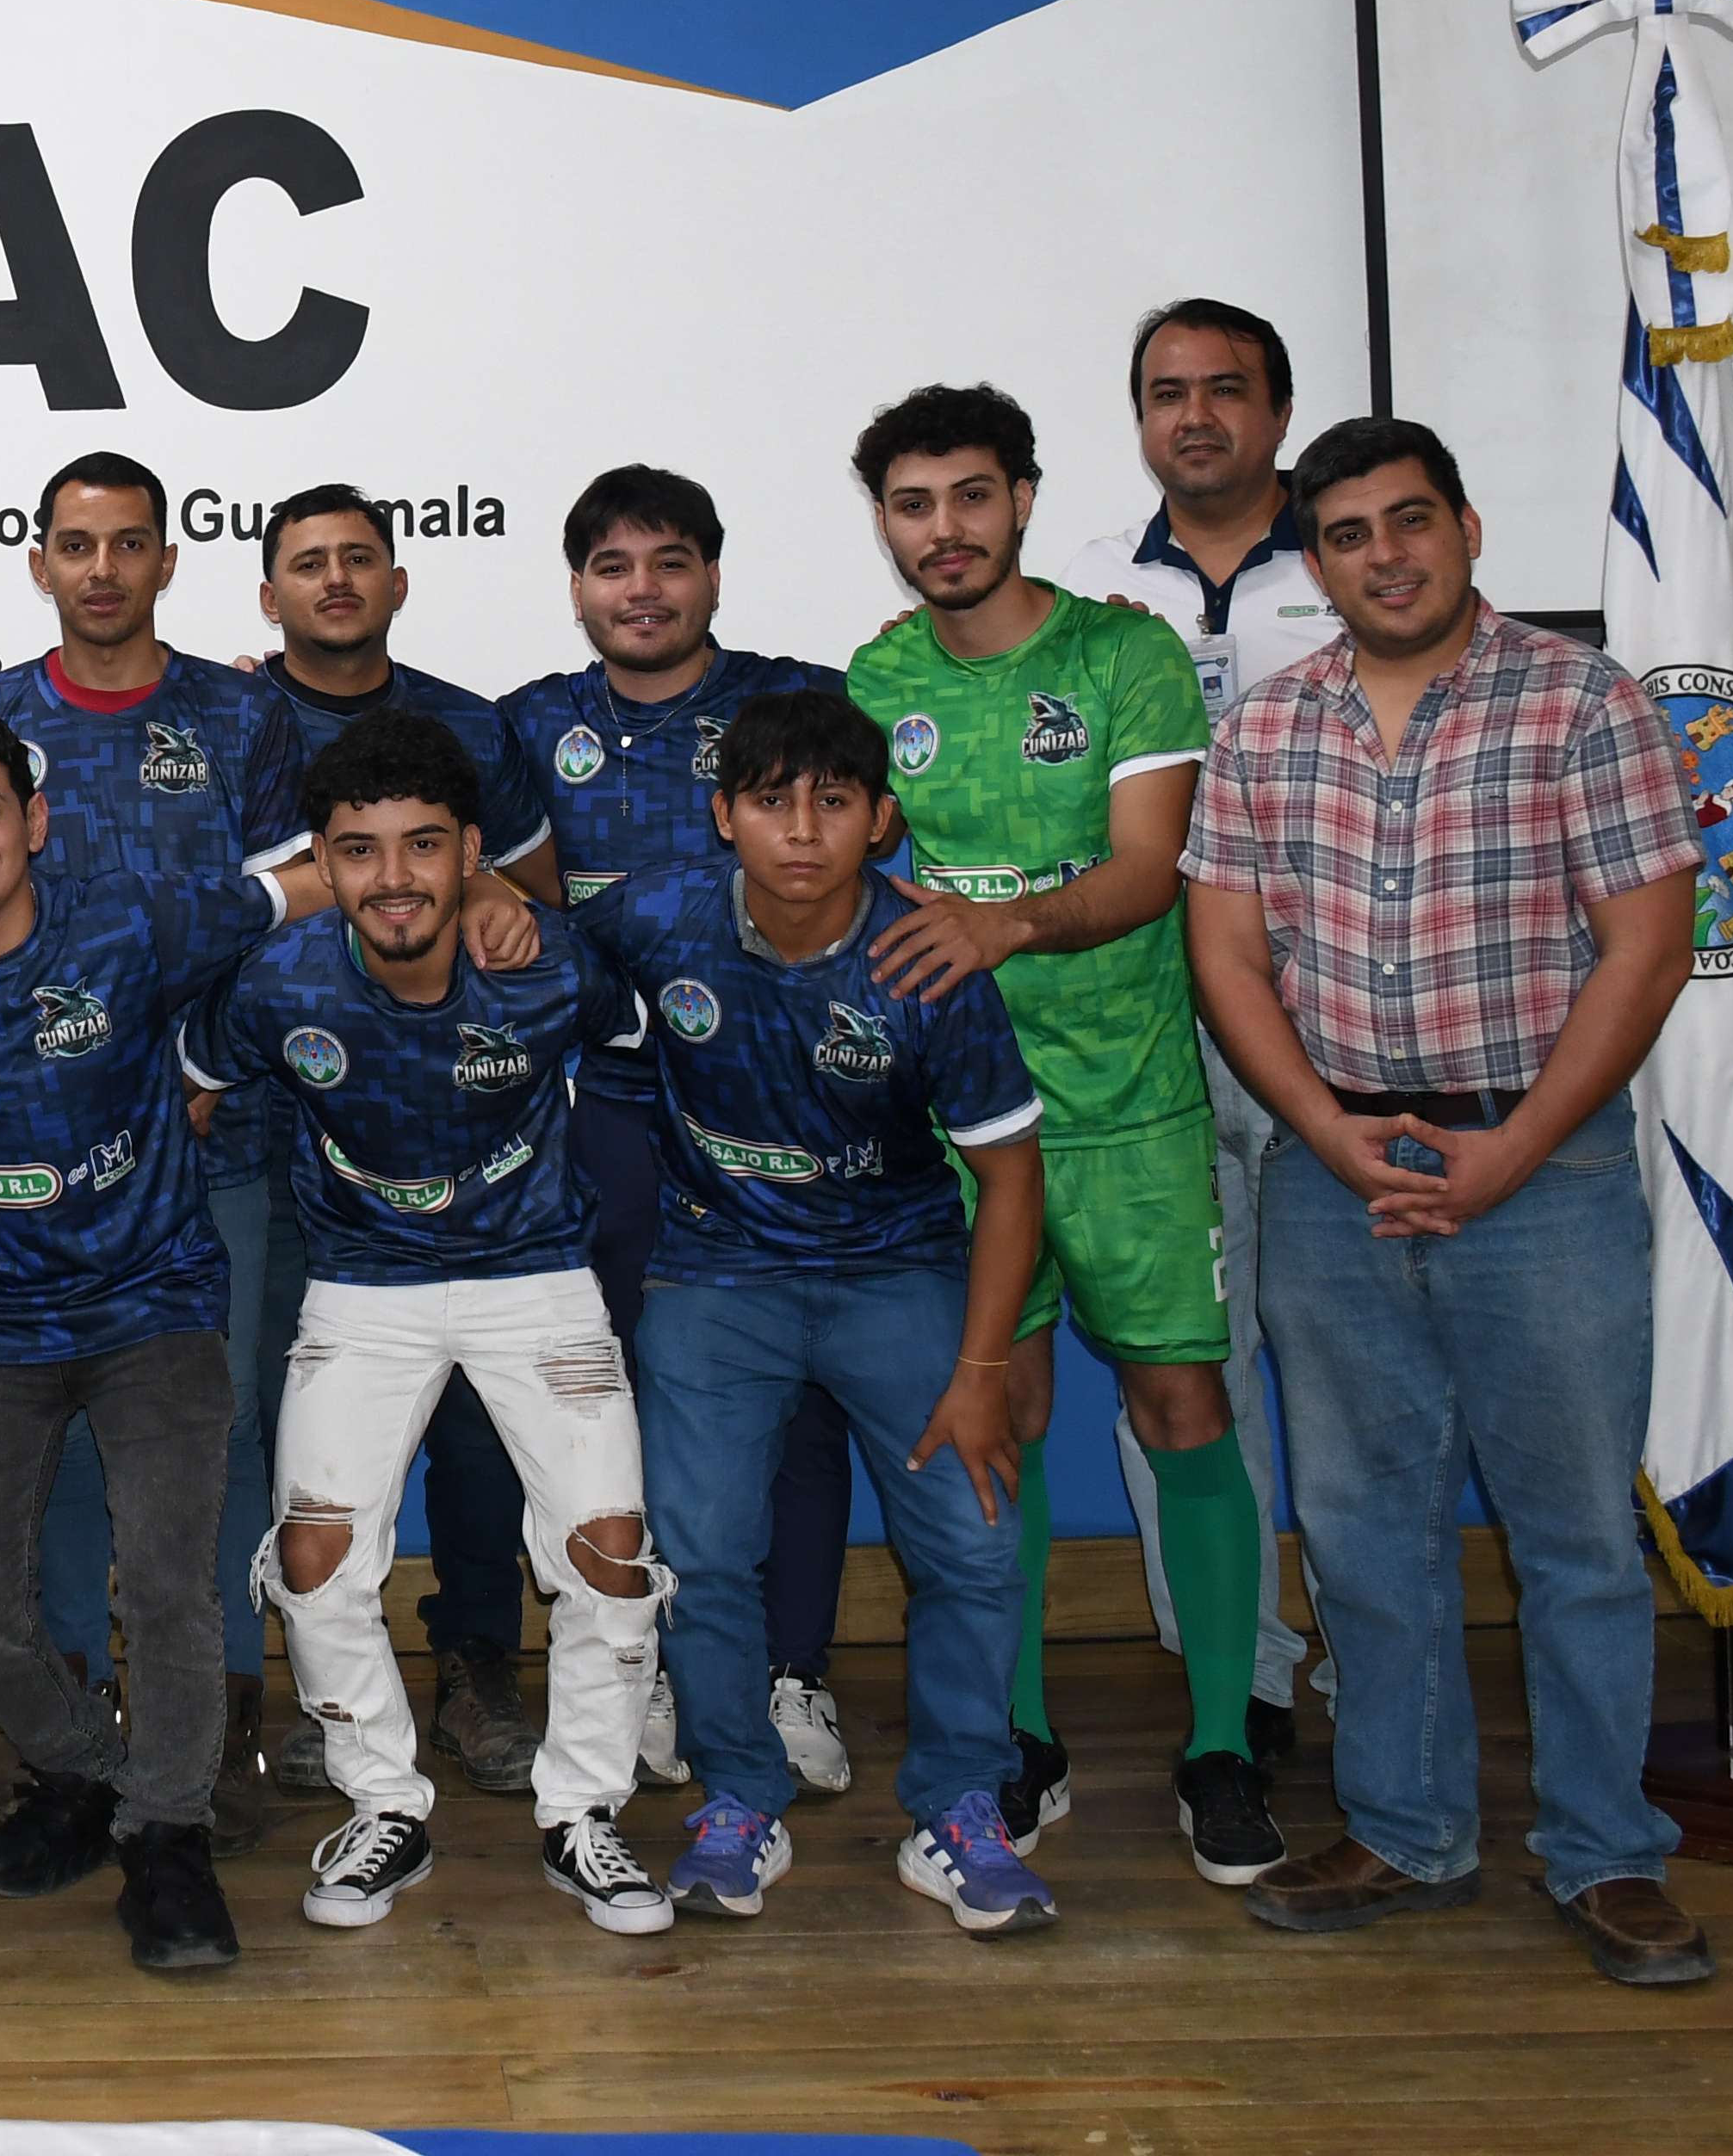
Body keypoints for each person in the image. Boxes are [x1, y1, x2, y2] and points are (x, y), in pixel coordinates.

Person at [1179, 418, 1711, 1988]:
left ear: (1466, 529)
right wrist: (1325, 1134)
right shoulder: (1265, 729)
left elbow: (1648, 946)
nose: (1384, 557)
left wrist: (1516, 1147)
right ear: (1315, 561)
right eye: (1346, 535)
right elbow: (1226, 956)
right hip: (1331, 1178)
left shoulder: (1582, 701)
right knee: (1361, 1531)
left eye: (1409, 521)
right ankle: (1406, 1832)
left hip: (1542, 1173)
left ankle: (1607, 1853)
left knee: (1575, 1538)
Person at [844, 384, 1282, 1887]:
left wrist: (1001, 924)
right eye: (912, 505)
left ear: (1021, 497)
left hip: (1134, 1108)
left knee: (1183, 1408)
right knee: (999, 1416)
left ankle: (1221, 1744)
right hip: (964, 1122)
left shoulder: (1123, 655)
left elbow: (1152, 870)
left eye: (971, 495)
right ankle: (1018, 1738)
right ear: (884, 523)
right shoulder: (879, 676)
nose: (944, 530)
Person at [576, 687, 1060, 1940]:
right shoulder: (656, 917)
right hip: (714, 1276)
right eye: (772, 802)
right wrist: (479, 895)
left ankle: (962, 1806)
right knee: (703, 1553)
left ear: (881, 819)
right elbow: (521, 946)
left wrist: (981, 1370)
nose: (802, 830)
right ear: (723, 815)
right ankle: (741, 1797)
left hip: (897, 1272)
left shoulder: (926, 961)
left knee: (974, 1546)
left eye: (833, 802)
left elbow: (1012, 1175)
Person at [0, 702, 278, 1972]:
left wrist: (485, 890)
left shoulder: (131, 918)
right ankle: (85, 1777)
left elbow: (303, 888)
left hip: (156, 1301)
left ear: (34, 820)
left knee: (169, 1586)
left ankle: (170, 1836)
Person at [214, 712, 670, 1941]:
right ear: (323, 860)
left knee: (609, 1550)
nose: (395, 877)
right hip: (364, 1287)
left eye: (424, 845)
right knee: (314, 1556)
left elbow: (646, 1050)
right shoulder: (279, 980)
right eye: (360, 850)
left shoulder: (549, 962)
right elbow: (197, 1087)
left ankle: (584, 1812)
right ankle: (382, 1803)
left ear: (472, 849)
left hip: (538, 1275)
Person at [0, 452, 314, 1840]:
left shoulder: (243, 713)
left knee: (216, 1422)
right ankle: (69, 1715)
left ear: (168, 560)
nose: (100, 569)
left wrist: (202, 1063)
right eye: (75, 544)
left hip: (213, 1137)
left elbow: (293, 901)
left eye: (126, 545)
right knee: (50, 1420)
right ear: (38, 563)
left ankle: (218, 1705)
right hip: (37, 1161)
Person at [495, 466, 860, 1805]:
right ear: (577, 587)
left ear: (712, 573)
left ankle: (789, 1669)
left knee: (797, 1395)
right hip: (615, 1110)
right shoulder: (530, 724)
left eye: (668, 562)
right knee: (632, 1393)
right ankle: (648, 1660)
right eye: (612, 565)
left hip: (785, 1101)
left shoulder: (795, 700)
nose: (641, 590)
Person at [244, 478, 575, 1811]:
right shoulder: (233, 718)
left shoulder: (472, 723)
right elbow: (223, 910)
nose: (335, 580)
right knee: (306, 1430)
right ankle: (326, 1687)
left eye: (357, 559)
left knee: (481, 1434)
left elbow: (538, 897)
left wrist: (479, 884)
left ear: (396, 581)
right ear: (268, 594)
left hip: (471, 1133)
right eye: (307, 561)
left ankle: (478, 1663)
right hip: (287, 1130)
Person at [1063, 301, 1337, 1755]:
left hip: (1341, 1011)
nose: (1195, 416)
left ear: (1276, 410)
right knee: (1181, 1365)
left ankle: (1372, 1651)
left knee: (1354, 1358)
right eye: (1166, 392)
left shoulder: (1355, 554)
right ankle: (1244, 1671)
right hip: (1150, 1021)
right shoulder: (1089, 592)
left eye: (1225, 389)